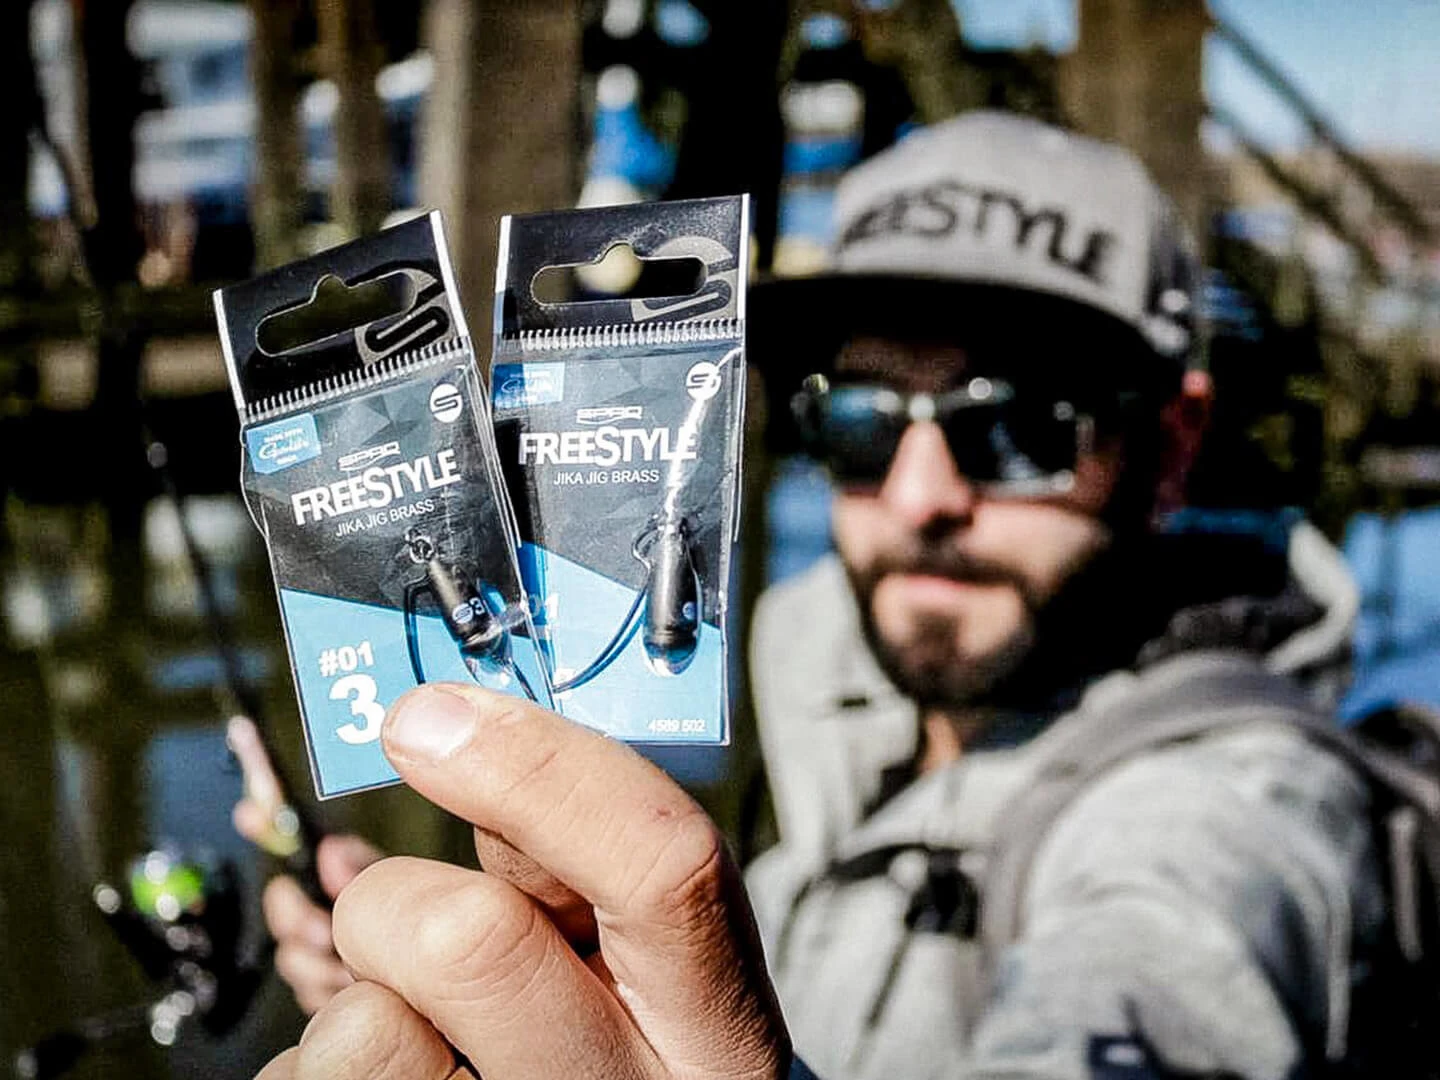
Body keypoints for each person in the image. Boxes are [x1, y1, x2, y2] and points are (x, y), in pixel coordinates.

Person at [249, 112, 1394, 1080]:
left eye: (1018, 428)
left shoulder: (1222, 823)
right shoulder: (816, 693)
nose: (921, 494)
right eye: (859, 419)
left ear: (1171, 447)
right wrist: (521, 995)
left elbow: (1145, 1005)